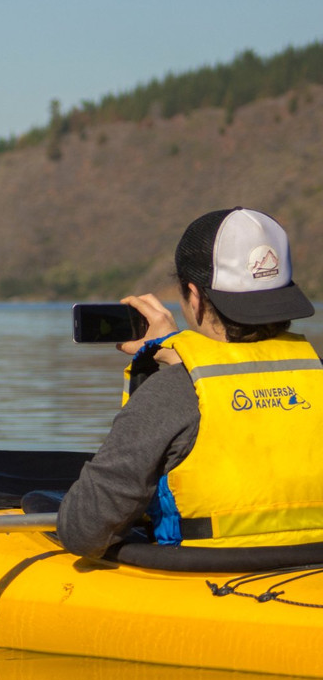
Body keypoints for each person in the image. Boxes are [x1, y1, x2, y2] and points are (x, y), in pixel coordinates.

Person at [58, 207, 322, 557]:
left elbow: (83, 530)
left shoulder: (171, 393)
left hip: (210, 586)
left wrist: (174, 368)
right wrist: (178, 352)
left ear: (194, 298)